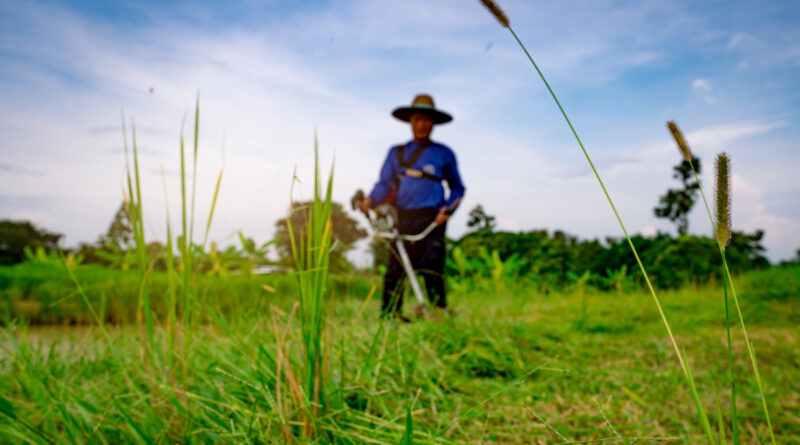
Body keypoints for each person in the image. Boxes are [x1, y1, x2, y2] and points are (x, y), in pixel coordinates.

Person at [357, 94, 465, 321]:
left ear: (433, 123)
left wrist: (448, 210)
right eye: (417, 119)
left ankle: (437, 312)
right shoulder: (396, 153)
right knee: (396, 267)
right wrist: (370, 201)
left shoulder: (443, 153)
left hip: (432, 216)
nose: (422, 124)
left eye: (427, 120)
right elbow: (384, 184)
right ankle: (391, 315)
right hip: (402, 217)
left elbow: (457, 188)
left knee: (432, 265)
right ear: (411, 122)